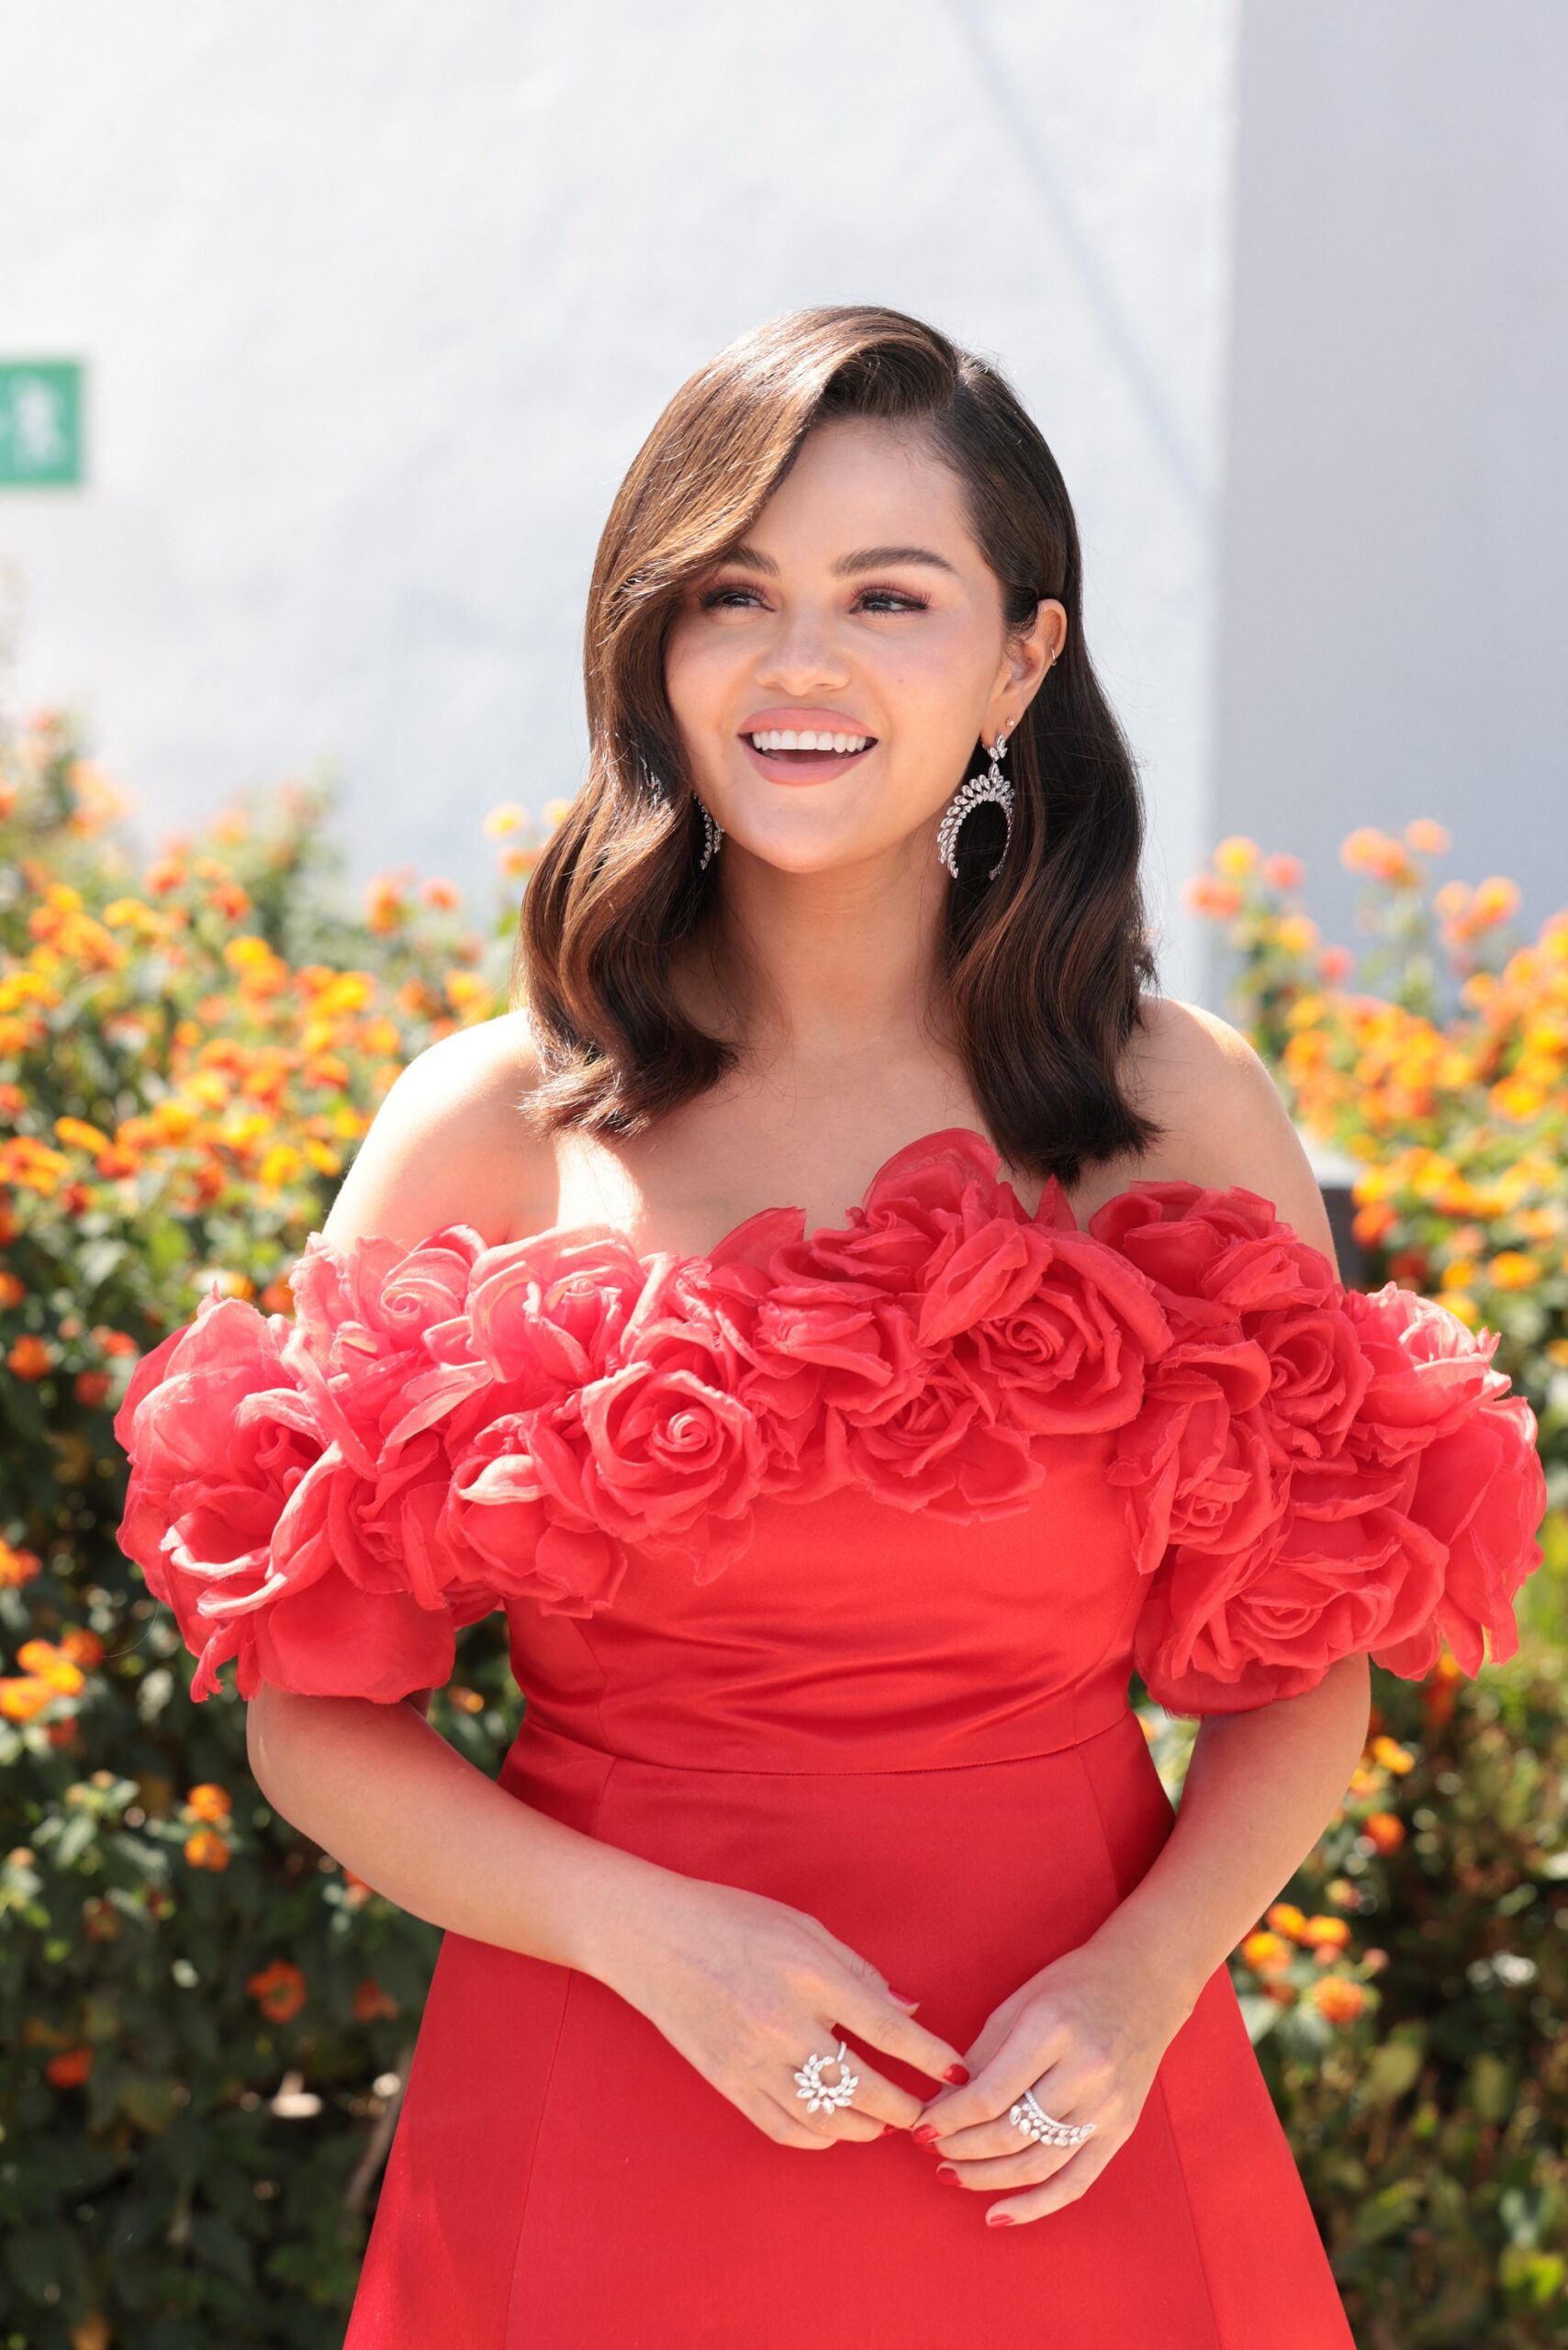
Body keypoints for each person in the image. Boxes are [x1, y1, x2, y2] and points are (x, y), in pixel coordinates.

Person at [114, 305, 1546, 2348]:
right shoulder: (487, 1123)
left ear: (1020, 659)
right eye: (734, 594)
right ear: (654, 646)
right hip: (596, 2097)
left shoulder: (1169, 1110)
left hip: (1064, 2116)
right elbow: (313, 1712)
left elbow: (1301, 1675)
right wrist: (637, 1932)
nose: (800, 662)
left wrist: (1142, 1977)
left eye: (887, 596)